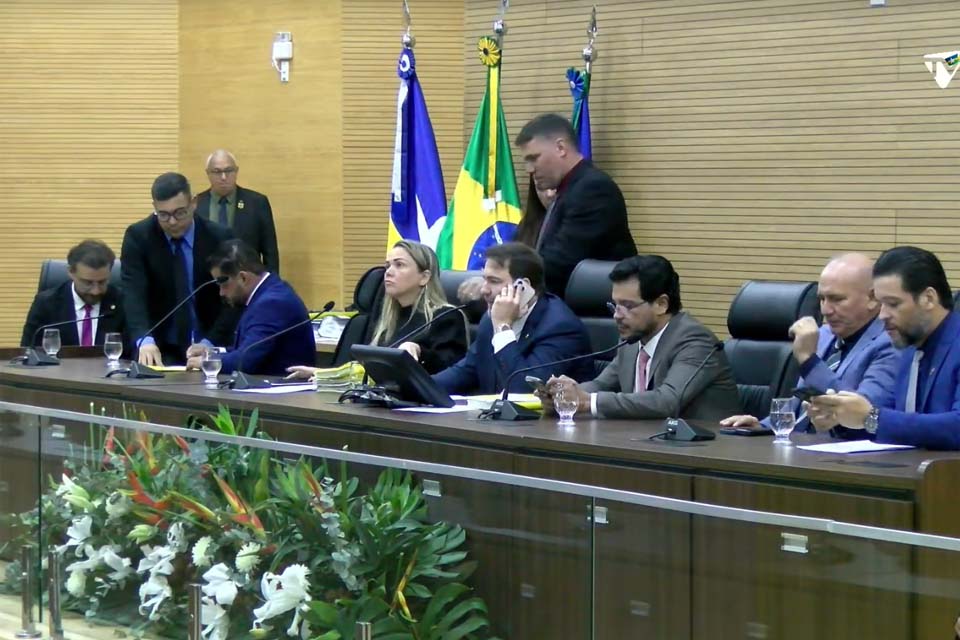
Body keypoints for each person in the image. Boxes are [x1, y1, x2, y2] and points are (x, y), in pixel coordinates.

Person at [720, 253, 900, 433]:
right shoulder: (823, 335)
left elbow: (863, 415)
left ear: (873, 298)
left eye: (837, 299)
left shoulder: (891, 344)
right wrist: (763, 426)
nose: (826, 310)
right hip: (800, 445)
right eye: (822, 299)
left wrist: (809, 362)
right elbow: (804, 404)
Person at [544, 254, 739, 421]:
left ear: (661, 304)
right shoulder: (633, 339)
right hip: (645, 441)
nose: (617, 315)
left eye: (628, 306)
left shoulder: (696, 341)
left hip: (705, 447)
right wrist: (562, 395)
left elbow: (666, 401)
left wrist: (587, 401)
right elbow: (600, 385)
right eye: (615, 305)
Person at [811, 246, 960, 450]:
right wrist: (841, 418)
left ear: (928, 298)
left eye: (893, 304)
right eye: (881, 304)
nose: (882, 315)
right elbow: (892, 423)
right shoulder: (908, 347)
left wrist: (871, 417)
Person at [287, 241, 468, 378]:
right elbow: (364, 369)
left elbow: (448, 373)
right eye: (388, 266)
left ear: (424, 277)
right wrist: (322, 374)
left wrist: (419, 351)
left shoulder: (445, 317)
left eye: (399, 265)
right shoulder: (384, 318)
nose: (388, 272)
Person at [432, 242, 594, 395]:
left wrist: (503, 328)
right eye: (484, 280)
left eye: (494, 281)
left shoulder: (560, 327)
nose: (484, 290)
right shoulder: (490, 320)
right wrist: (420, 388)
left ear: (523, 287)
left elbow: (523, 391)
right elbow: (465, 371)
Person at [121, 172, 238, 366]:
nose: (172, 222)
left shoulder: (219, 237)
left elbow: (232, 300)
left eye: (180, 213)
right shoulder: (138, 237)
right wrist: (145, 339)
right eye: (164, 215)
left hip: (209, 344)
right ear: (154, 207)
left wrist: (210, 343)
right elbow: (133, 294)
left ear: (194, 203)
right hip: (158, 346)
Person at [515, 113, 636, 295]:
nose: (529, 169)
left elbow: (560, 262)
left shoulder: (593, 189)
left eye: (534, 158)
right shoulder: (570, 188)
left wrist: (507, 281)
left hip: (590, 307)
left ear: (560, 148)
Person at [185, 240, 313, 376]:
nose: (221, 292)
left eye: (224, 284)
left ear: (243, 278)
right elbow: (245, 349)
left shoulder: (271, 303)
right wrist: (210, 352)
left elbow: (245, 361)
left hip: (280, 387)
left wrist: (206, 362)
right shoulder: (269, 291)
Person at [21, 240, 126, 347]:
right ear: (71, 272)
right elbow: (28, 350)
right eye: (88, 283)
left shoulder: (123, 302)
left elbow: (132, 350)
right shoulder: (47, 303)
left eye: (102, 282)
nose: (95, 291)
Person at [195, 149, 280, 274]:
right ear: (208, 173)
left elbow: (270, 252)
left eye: (228, 170)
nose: (223, 177)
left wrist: (272, 283)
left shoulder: (256, 203)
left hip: (247, 279)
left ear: (236, 171)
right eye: (217, 172)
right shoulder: (197, 205)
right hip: (207, 279)